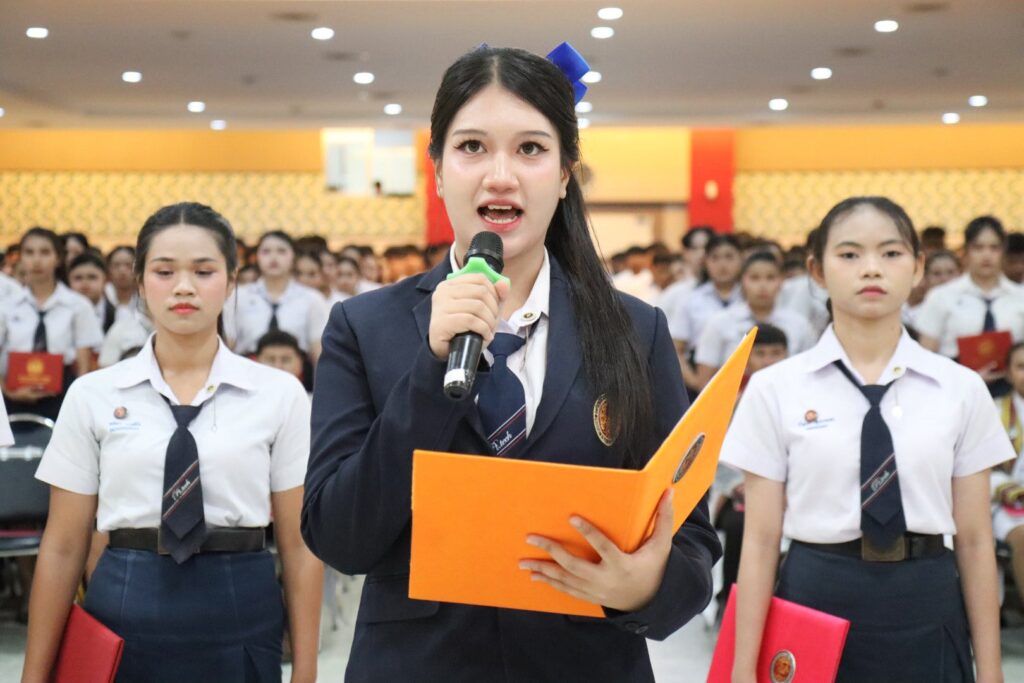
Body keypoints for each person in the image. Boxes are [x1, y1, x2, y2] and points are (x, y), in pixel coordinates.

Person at [301, 45, 720, 683]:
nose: (501, 176)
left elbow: (690, 537)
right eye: (472, 147)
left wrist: (644, 586)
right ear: (437, 169)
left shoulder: (637, 331)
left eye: (530, 149)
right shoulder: (364, 328)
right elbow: (339, 538)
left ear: (565, 174)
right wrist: (430, 370)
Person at [21, 202, 322, 683]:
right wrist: (34, 676)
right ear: (140, 283)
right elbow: (62, 546)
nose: (184, 287)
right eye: (164, 272)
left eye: (203, 271)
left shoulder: (279, 394)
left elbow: (299, 545)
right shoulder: (93, 394)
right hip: (125, 598)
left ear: (231, 280)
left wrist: (306, 672)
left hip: (241, 599)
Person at [721, 196, 1009, 683]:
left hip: (926, 596)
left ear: (918, 268)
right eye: (850, 254)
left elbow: (977, 541)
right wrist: (742, 668)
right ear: (816, 270)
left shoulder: (961, 388)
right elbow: (762, 540)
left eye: (891, 253)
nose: (871, 268)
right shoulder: (776, 389)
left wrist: (992, 671)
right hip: (816, 592)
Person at [0, 227, 103, 421]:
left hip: (63, 397)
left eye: (45, 252)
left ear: (58, 258)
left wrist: (77, 404)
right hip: (11, 395)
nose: (37, 260)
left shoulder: (78, 305)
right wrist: (7, 391)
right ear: (20, 258)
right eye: (29, 252)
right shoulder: (7, 306)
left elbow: (84, 365)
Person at [916, 215, 1024, 395]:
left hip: (1012, 397)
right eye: (978, 247)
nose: (986, 255)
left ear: (1003, 252)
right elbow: (925, 355)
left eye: (994, 248)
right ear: (966, 251)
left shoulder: (1020, 297)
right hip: (953, 391)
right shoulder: (941, 296)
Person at [691, 252, 814, 390]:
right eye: (754, 278)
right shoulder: (720, 322)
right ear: (742, 281)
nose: (763, 286)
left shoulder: (799, 325)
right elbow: (705, 381)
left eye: (770, 278)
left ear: (781, 282)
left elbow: (809, 376)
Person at [222, 230, 329, 365]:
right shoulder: (238, 296)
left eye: (281, 251)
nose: (273, 257)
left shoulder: (312, 299)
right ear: (256, 257)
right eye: (266, 251)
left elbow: (318, 350)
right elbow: (228, 344)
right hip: (248, 368)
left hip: (296, 371)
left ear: (293, 257)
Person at [670, 234, 742, 393]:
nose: (722, 264)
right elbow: (676, 349)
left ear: (741, 259)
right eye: (715, 258)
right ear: (705, 261)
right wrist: (695, 382)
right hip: (702, 376)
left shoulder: (750, 298)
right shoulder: (691, 300)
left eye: (729, 257)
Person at [992, 342, 1024, 613]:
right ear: (1008, 374)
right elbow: (980, 467)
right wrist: (1008, 489)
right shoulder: (993, 411)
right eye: (1021, 367)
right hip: (1009, 503)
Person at [68, 251, 117, 334]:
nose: (85, 283)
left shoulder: (119, 315)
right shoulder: (60, 315)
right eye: (78, 278)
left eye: (92, 277)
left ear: (105, 280)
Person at [105, 246, 140, 324]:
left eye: (128, 265)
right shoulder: (102, 296)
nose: (122, 271)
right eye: (116, 265)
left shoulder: (145, 299)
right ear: (108, 269)